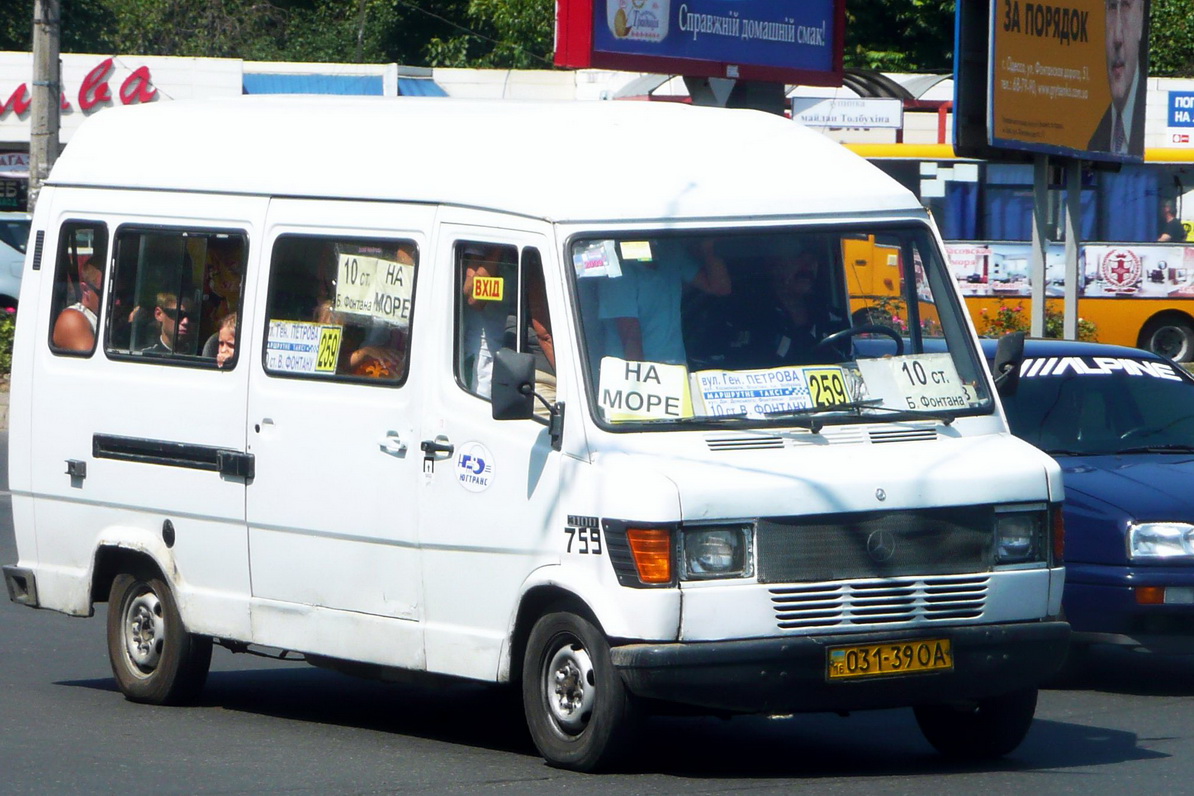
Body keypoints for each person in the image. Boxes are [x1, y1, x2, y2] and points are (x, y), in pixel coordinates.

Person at [598, 238, 730, 365]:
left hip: (674, 370)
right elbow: (630, 338)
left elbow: (720, 287)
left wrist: (708, 248)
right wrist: (642, 384)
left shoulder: (670, 250)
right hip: (635, 375)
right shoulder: (618, 271)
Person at [726, 247, 846, 369]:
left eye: (813, 260)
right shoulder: (750, 317)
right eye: (799, 258)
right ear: (773, 265)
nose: (808, 267)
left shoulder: (834, 319)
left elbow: (849, 365)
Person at [1088, 0, 1146, 157]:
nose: (1117, 37)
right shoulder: (1092, 140)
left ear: (1141, 16)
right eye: (1112, 8)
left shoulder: (1150, 124)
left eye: (1126, 6)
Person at [460, 244, 512, 396]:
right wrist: (497, 249)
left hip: (510, 347)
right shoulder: (484, 245)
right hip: (482, 353)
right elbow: (474, 299)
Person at [52, 259, 104, 352]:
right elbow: (94, 364)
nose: (117, 301)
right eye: (106, 294)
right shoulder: (72, 319)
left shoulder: (106, 318)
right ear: (85, 289)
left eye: (120, 294)